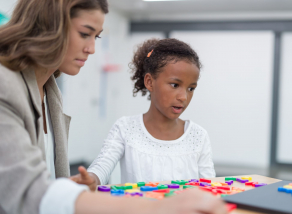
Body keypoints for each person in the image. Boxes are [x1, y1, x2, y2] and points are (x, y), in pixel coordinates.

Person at [0, 0, 228, 214]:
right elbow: (26, 190)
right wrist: (160, 209)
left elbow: (42, 182)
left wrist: (62, 187)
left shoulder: (52, 93)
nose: (91, 49)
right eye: (84, 34)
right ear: (49, 26)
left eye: (96, 37)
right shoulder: (5, 86)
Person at [71, 38, 215, 188]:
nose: (183, 97)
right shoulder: (125, 128)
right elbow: (102, 166)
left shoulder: (198, 136)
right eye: (175, 85)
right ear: (149, 82)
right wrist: (92, 178)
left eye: (191, 88)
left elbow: (210, 186)